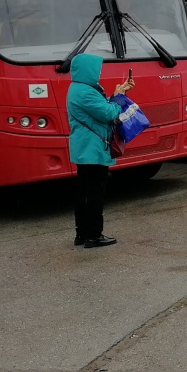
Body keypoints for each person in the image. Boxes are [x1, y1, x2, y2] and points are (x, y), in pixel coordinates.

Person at [66, 53, 133, 248]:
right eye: (97, 69)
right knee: (95, 193)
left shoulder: (77, 88)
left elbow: (101, 108)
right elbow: (108, 112)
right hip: (93, 148)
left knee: (83, 192)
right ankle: (94, 235)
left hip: (84, 148)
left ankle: (81, 234)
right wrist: (119, 98)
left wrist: (117, 93)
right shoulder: (85, 92)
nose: (99, 72)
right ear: (88, 70)